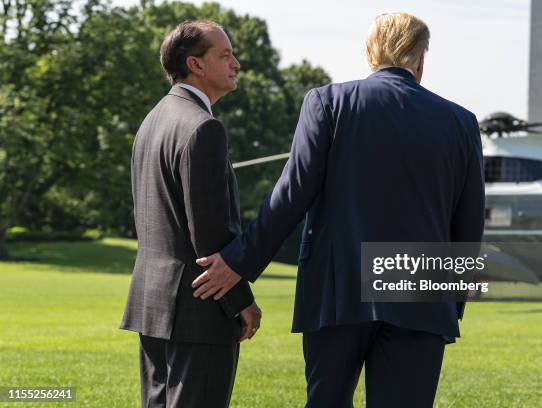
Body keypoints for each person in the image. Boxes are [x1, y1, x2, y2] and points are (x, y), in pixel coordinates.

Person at [194, 12, 484, 407]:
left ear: (369, 54)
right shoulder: (461, 122)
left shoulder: (328, 102)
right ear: (420, 60)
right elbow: (468, 224)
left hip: (336, 292)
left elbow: (292, 194)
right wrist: (451, 301)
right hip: (421, 297)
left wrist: (240, 261)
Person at [120, 20, 261, 408]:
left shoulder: (152, 121)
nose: (236, 63)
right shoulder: (203, 128)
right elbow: (211, 236)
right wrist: (241, 302)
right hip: (198, 311)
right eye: (225, 54)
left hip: (152, 306)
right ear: (195, 65)